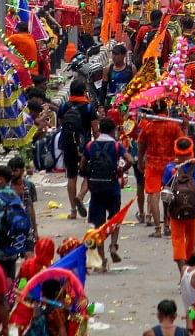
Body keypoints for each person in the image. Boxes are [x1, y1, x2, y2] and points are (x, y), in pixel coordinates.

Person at [83, 117, 131, 267]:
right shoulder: (116, 146)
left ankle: (102, 259)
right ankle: (113, 246)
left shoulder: (91, 145)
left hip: (96, 189)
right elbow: (130, 159)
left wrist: (89, 175)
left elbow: (83, 164)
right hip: (112, 187)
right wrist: (121, 170)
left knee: (99, 224)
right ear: (112, 130)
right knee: (114, 219)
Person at [138, 99, 184, 236]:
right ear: (166, 111)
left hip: (152, 165)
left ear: (153, 111)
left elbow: (141, 144)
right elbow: (183, 143)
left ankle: (158, 228)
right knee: (169, 195)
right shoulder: (174, 126)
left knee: (153, 195)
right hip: (170, 166)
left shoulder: (148, 126)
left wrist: (140, 160)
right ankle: (167, 224)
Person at [162, 137, 195, 273]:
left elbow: (165, 192)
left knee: (178, 240)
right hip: (194, 210)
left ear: (176, 151)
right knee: (191, 241)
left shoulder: (170, 168)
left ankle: (183, 272)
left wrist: (166, 216)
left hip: (175, 211)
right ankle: (189, 270)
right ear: (191, 150)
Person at [59, 77, 98, 220]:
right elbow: (95, 130)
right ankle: (80, 196)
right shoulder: (88, 107)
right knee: (89, 174)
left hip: (68, 145)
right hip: (85, 147)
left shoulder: (64, 106)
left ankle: (73, 210)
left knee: (71, 176)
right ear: (84, 91)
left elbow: (62, 124)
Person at [7, 156, 39, 244]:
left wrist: (35, 230)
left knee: (29, 255)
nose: (12, 174)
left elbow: (31, 208)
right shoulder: (6, 188)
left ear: (22, 170)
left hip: (27, 227)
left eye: (15, 171)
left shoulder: (29, 186)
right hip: (10, 229)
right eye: (11, 171)